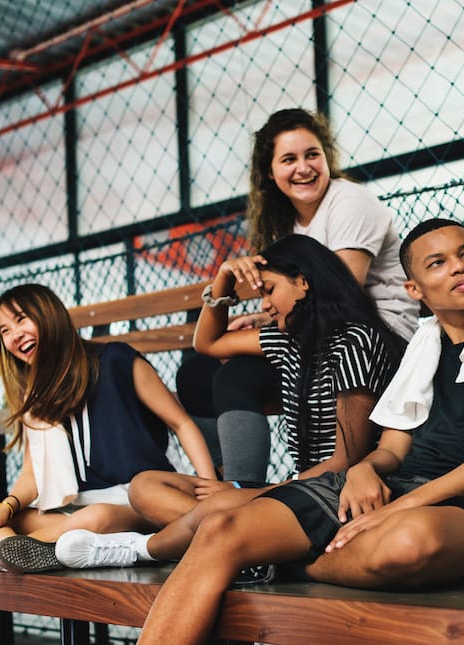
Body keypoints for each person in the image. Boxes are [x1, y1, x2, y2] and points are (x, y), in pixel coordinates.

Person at [57, 219, 464, 644]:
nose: (459, 266)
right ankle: (235, 553)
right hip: (392, 492)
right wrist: (368, 470)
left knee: (410, 543)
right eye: (437, 263)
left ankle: (271, 559)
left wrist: (398, 499)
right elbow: (392, 449)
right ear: (415, 290)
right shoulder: (422, 348)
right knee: (221, 527)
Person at [176, 107, 417, 484]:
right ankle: (234, 483)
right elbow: (290, 301)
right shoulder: (287, 224)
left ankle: (246, 492)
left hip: (374, 339)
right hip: (314, 337)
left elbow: (339, 291)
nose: (303, 167)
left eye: (312, 155)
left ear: (327, 158)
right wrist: (237, 294)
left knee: (232, 374)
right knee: (197, 373)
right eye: (289, 159)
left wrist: (262, 320)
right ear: (269, 172)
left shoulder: (349, 201)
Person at [0, 283, 217, 573]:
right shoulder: (34, 395)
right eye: (5, 331)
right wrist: (5, 509)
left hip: (133, 504)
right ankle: (12, 548)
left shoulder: (117, 360)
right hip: (73, 509)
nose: (14, 336)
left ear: (48, 315)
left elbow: (181, 423)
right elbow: (32, 475)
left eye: (21, 320)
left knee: (95, 519)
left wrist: (209, 486)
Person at [121, 234, 404, 530]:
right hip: (296, 487)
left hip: (335, 490)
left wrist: (252, 493)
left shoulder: (355, 341)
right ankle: (224, 533)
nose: (266, 306)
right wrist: (224, 278)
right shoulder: (288, 341)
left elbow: (345, 460)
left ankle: (162, 544)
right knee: (145, 486)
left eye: (270, 291)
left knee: (218, 507)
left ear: (304, 281)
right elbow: (208, 342)